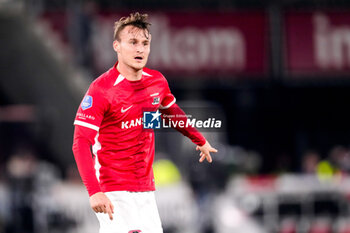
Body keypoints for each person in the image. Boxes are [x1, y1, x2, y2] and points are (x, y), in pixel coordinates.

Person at [72, 12, 217, 233]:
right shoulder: (101, 89)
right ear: (116, 46)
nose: (140, 49)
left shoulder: (157, 82)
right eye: (132, 42)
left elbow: (172, 112)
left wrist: (199, 139)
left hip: (146, 192)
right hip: (114, 191)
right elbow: (81, 142)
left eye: (145, 43)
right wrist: (94, 191)